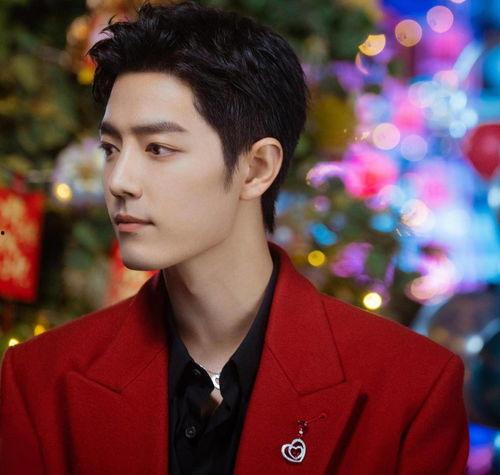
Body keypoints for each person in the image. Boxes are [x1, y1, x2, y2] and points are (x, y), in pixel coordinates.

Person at [0, 1, 469, 473]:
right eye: (110, 148)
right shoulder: (40, 380)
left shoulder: (410, 389)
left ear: (257, 167)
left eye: (158, 148)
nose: (119, 180)